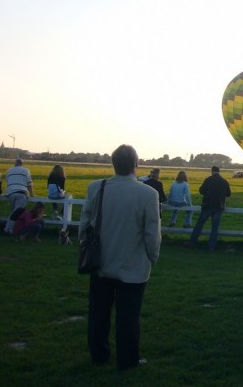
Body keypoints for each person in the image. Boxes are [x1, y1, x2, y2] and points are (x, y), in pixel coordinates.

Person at [80, 144, 161, 370]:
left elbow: (85, 224)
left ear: (113, 164)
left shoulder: (96, 187)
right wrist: (152, 257)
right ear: (136, 165)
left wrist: (84, 248)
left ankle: (99, 354)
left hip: (100, 264)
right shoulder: (148, 193)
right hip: (133, 266)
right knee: (128, 317)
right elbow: (152, 233)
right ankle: (128, 360)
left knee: (98, 313)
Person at [187, 166, 231, 252]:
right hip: (219, 206)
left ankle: (191, 243)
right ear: (219, 171)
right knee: (215, 228)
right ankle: (211, 247)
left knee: (199, 224)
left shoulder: (208, 180)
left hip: (208, 206)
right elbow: (228, 194)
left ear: (212, 171)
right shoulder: (224, 181)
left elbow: (201, 191)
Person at [3, 159, 34, 234]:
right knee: (16, 213)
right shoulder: (26, 171)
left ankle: (8, 228)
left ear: (15, 164)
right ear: (21, 164)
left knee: (13, 211)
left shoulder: (9, 170)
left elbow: (8, 180)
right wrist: (32, 194)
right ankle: (9, 229)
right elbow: (29, 184)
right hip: (21, 192)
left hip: (10, 192)